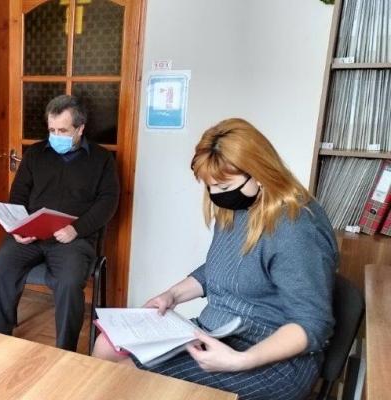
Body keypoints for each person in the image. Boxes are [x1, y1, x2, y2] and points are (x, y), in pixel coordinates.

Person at [93, 118, 337, 400]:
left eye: (224, 186)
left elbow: (312, 324)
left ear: (259, 172)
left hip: (272, 357)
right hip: (220, 332)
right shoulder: (239, 207)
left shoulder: (296, 228)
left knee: (128, 372)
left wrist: (240, 361)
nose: (216, 196)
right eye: (210, 187)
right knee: (107, 346)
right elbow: (220, 268)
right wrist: (172, 295)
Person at [0, 95, 120, 351]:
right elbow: (18, 195)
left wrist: (76, 229)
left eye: (63, 130)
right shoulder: (35, 154)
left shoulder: (102, 160)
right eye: (52, 130)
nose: (55, 136)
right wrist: (19, 228)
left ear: (80, 129)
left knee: (68, 283)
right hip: (31, 235)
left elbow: (107, 203)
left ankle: (65, 352)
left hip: (73, 239)